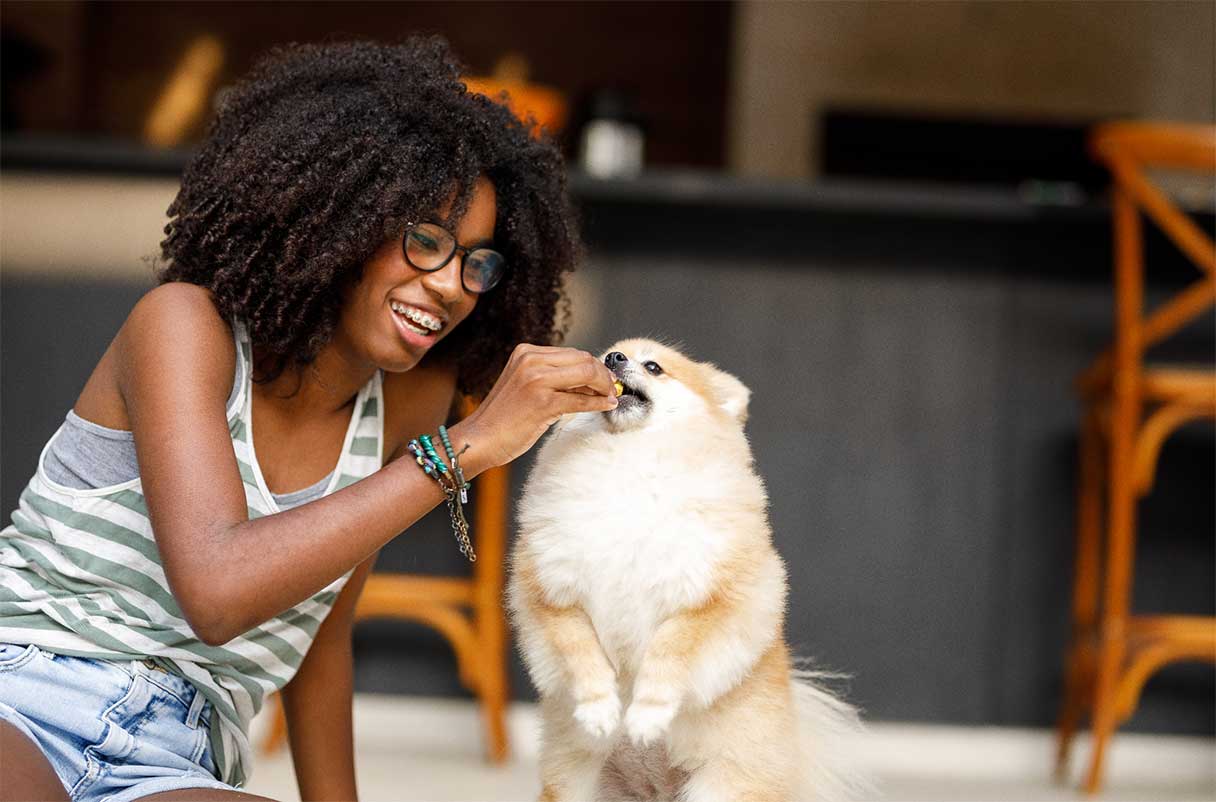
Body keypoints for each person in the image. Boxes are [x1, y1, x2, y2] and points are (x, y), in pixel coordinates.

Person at [0, 37, 618, 802]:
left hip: (176, 757)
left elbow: (321, 636)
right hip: (22, 695)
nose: (452, 285)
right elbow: (218, 591)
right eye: (424, 240)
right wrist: (465, 450)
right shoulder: (183, 327)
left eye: (476, 262)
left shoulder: (410, 402)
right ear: (346, 223)